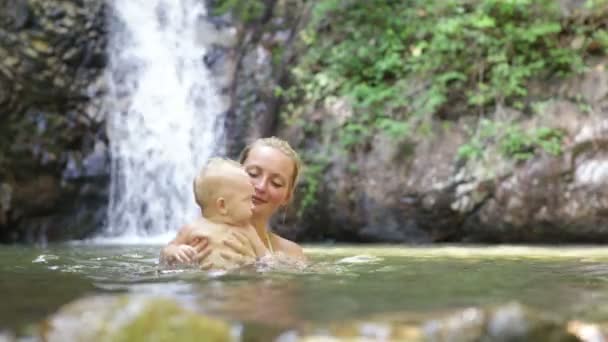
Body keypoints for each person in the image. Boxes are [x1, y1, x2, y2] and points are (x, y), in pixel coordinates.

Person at [160, 136, 307, 266]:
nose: (261, 187)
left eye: (276, 183)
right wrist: (172, 257)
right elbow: (167, 256)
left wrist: (256, 267)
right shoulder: (196, 233)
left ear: (287, 196)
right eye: (253, 174)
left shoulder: (293, 255)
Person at [160, 158, 269, 270]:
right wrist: (174, 252)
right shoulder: (192, 229)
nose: (253, 206)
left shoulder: (247, 230)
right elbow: (166, 251)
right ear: (222, 206)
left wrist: (255, 263)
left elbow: (267, 260)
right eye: (248, 200)